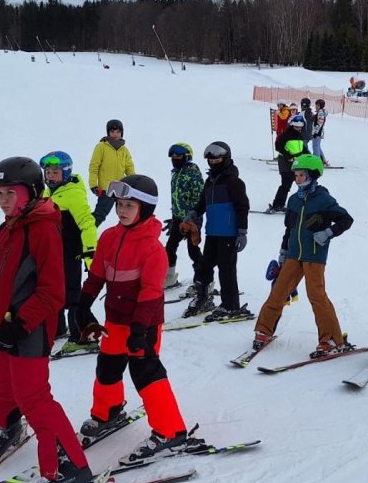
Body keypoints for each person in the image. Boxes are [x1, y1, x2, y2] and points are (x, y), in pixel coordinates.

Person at [0, 157, 93, 483]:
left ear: (29, 191)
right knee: (1, 388)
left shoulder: (42, 228)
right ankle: (10, 428)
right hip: (2, 329)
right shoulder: (5, 229)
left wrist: (19, 326)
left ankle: (71, 466)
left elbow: (52, 291)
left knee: (34, 398)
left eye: (10, 193)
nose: (3, 200)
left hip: (29, 330)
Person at [75, 175, 196, 463]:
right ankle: (108, 412)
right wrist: (82, 305)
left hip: (144, 322)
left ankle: (171, 431)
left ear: (146, 208)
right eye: (119, 204)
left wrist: (140, 330)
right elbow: (96, 276)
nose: (122, 210)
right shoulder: (109, 237)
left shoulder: (153, 249)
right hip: (115, 321)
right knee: (108, 367)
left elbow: (151, 293)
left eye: (129, 205)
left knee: (145, 372)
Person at [253, 154, 353, 358]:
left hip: (314, 256)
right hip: (293, 255)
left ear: (313, 175)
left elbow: (346, 220)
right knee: (278, 292)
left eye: (301, 175)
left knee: (317, 296)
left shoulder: (323, 199)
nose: (297, 179)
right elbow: (289, 229)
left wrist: (328, 233)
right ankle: (264, 330)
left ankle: (331, 340)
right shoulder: (294, 200)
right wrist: (283, 252)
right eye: (296, 175)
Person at [180, 142, 251, 319]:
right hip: (212, 233)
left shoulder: (234, 182)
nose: (213, 163)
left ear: (226, 159)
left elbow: (242, 207)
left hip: (229, 233)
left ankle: (230, 305)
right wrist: (193, 214)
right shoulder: (210, 182)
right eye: (210, 161)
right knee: (204, 267)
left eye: (217, 160)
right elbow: (202, 203)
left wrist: (242, 232)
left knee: (226, 269)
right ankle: (203, 298)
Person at [40, 151, 97, 350]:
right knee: (53, 291)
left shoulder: (73, 194)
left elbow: (87, 224)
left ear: (65, 173)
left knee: (72, 294)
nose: (50, 176)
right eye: (48, 172)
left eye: (55, 172)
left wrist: (90, 254)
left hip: (71, 253)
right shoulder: (47, 193)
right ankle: (58, 328)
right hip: (53, 254)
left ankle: (84, 335)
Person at [164, 143, 204, 290]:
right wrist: (174, 217)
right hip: (178, 219)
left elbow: (199, 197)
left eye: (179, 156)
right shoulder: (176, 173)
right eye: (173, 156)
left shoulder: (193, 173)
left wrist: (193, 217)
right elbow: (176, 198)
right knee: (170, 247)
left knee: (192, 250)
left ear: (187, 157)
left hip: (192, 219)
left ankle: (202, 279)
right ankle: (169, 277)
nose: (175, 159)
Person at [88, 119, 135, 227]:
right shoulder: (101, 147)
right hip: (107, 189)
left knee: (127, 214)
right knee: (100, 215)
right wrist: (93, 184)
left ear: (121, 133)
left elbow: (129, 168)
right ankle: (84, 233)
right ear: (108, 133)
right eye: (112, 132)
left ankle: (126, 235)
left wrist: (135, 183)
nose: (115, 134)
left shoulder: (124, 150)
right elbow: (94, 167)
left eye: (118, 132)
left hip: (121, 189)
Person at [266, 117, 306, 213]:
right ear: (292, 125)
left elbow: (303, 149)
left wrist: (309, 156)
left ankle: (306, 204)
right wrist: (288, 156)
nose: (298, 129)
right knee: (286, 183)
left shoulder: (300, 136)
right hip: (285, 162)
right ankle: (277, 205)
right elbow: (278, 146)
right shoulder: (286, 135)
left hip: (296, 162)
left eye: (300, 127)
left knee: (303, 183)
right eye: (296, 127)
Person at [311, 98, 328, 163]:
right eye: (316, 105)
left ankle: (317, 161)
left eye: (318, 105)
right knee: (317, 146)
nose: (316, 106)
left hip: (318, 132)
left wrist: (315, 132)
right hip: (318, 132)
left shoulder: (320, 112)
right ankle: (323, 161)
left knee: (315, 147)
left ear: (321, 106)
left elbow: (319, 123)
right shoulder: (320, 112)